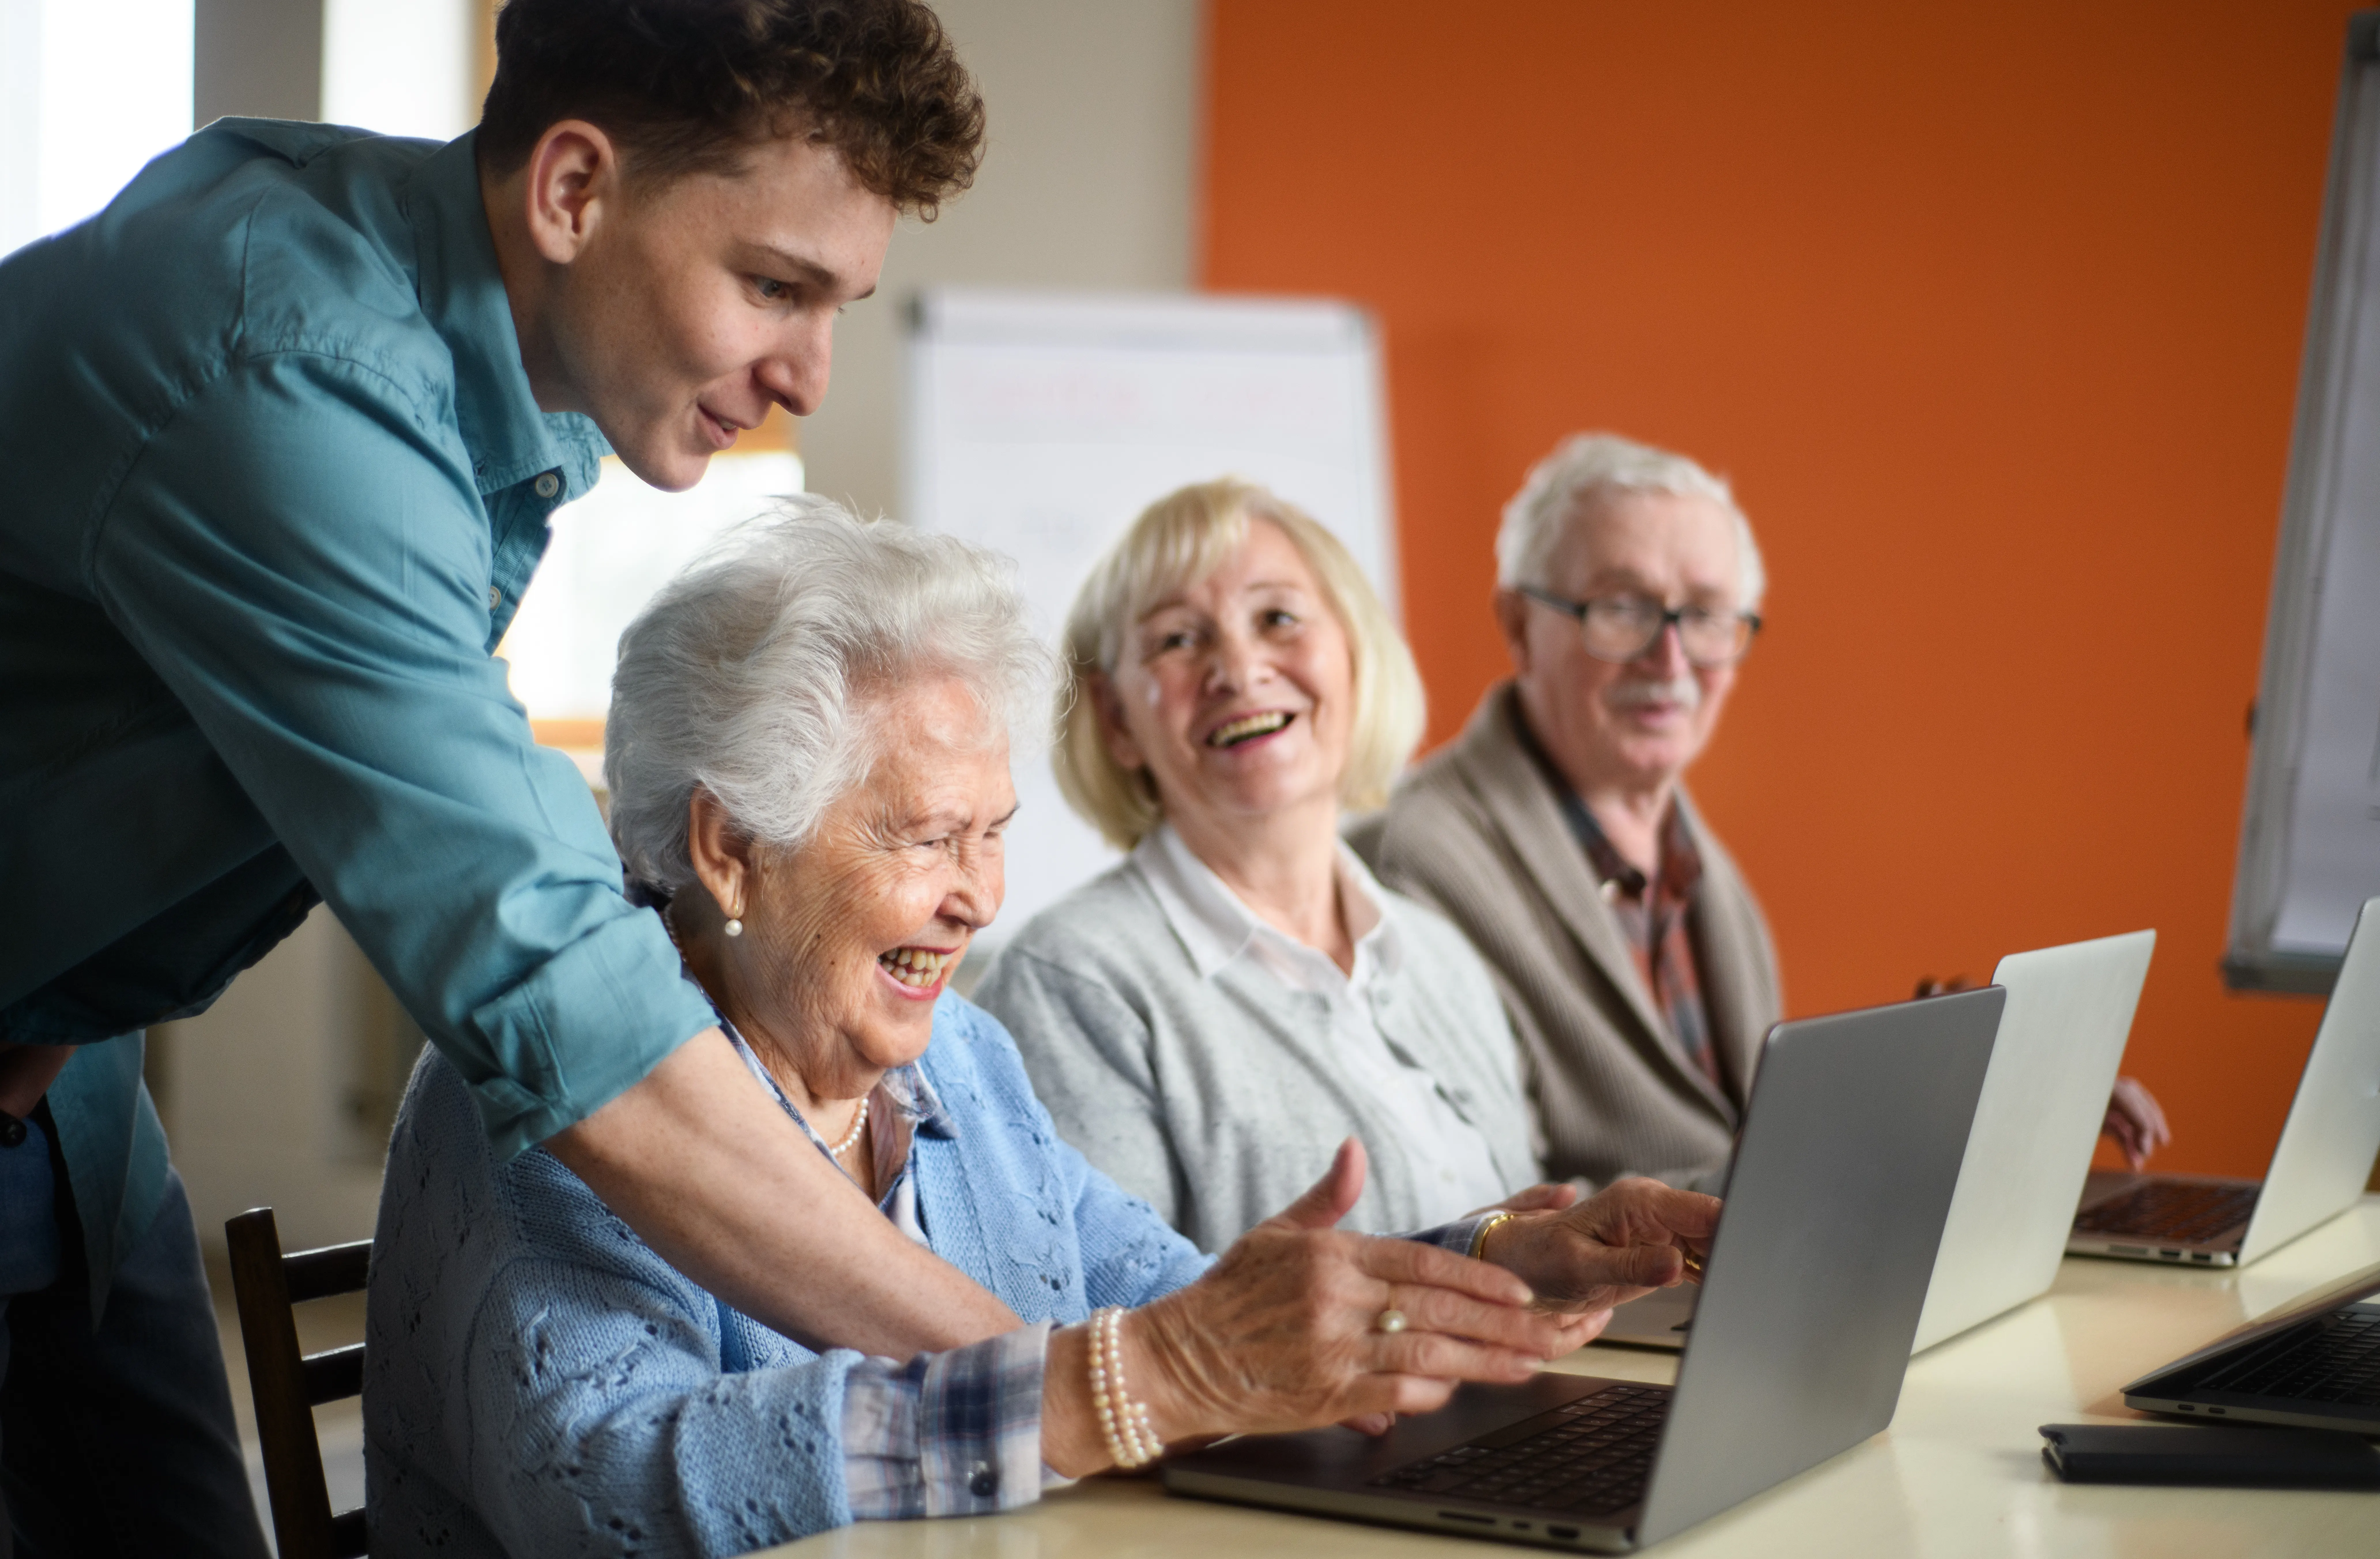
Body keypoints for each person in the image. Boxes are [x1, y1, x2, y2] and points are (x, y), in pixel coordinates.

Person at [0, 0, 1021, 1550]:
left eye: (840, 308)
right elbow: (540, 975)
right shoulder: (294, 362)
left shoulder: (440, 344)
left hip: (66, 1094)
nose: (811, 369)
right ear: (572, 190)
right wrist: (1051, 1386)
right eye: (772, 285)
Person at [364, 501, 1722, 1556]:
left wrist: (1493, 1265)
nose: (980, 898)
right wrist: (1107, 1391)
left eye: (996, 834)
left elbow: (1184, 1314)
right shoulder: (553, 1090)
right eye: (927, 837)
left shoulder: (958, 1058)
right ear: (730, 850)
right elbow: (606, 1490)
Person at [1351, 433, 2170, 1190]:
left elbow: (1733, 1145)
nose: (1670, 659)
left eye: (1706, 616)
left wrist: (1954, 1087)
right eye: (1622, 609)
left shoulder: (1695, 862)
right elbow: (1500, 1209)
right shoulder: (1418, 865)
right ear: (1520, 626)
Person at [974, 480, 1552, 1252]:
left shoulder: (1444, 959)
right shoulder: (1071, 984)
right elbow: (1114, 1334)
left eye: (1278, 618)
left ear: (1354, 654)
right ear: (1117, 721)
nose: (1239, 670)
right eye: (1180, 639)